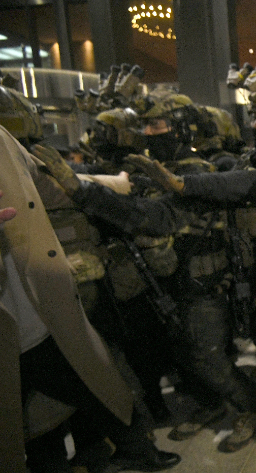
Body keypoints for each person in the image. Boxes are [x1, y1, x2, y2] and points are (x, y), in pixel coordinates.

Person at [35, 88, 256, 454]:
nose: (148, 132)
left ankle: (251, 404)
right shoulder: (158, 169)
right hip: (169, 283)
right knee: (182, 354)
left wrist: (82, 191)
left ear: (182, 128)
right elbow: (117, 185)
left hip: (202, 283)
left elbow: (157, 218)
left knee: (208, 357)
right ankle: (211, 403)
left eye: (157, 124)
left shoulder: (196, 174)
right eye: (145, 125)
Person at [126, 88, 256, 425]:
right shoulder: (253, 158)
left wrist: (186, 183)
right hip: (251, 258)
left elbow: (244, 184)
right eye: (255, 118)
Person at [0, 123, 180, 472]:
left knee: (99, 388)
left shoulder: (3, 141)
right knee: (29, 428)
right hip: (13, 328)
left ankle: (136, 451)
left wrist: (115, 184)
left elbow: (51, 186)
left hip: (39, 317)